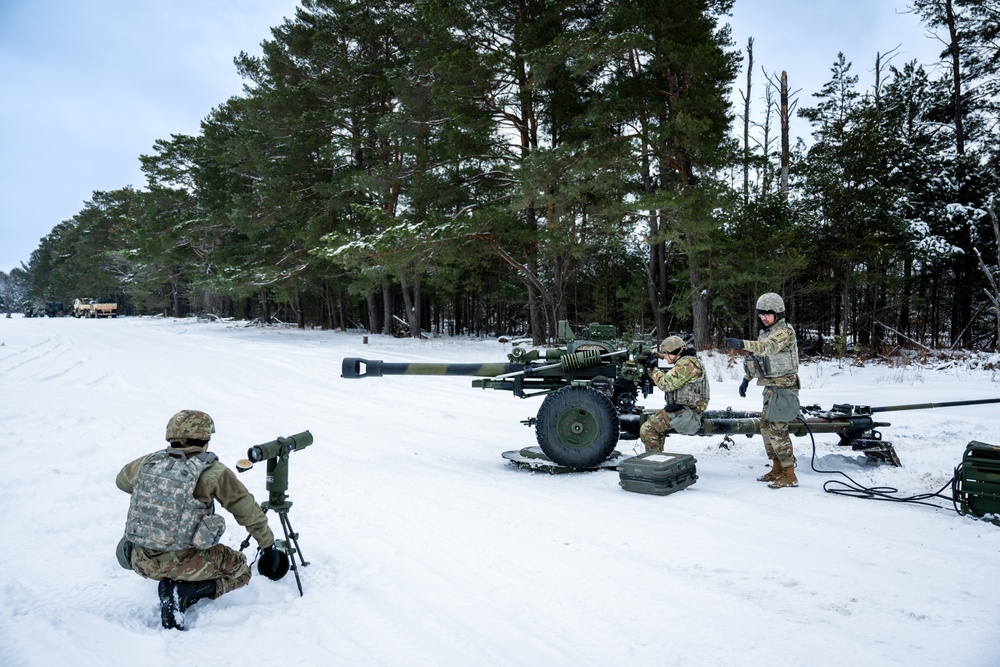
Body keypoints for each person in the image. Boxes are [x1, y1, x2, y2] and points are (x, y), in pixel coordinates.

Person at [116, 409, 285, 630]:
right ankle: (185, 592)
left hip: (139, 560)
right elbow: (248, 512)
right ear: (205, 440)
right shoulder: (212, 471)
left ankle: (171, 576)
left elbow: (122, 481)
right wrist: (268, 545)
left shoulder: (149, 462)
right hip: (185, 562)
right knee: (242, 570)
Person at [725, 292, 801, 488]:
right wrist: (746, 378)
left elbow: (768, 348)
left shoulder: (784, 332)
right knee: (766, 429)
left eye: (767, 314)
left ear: (778, 313)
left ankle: (789, 474)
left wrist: (742, 344)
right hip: (770, 388)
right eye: (761, 314)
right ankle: (777, 468)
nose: (763, 318)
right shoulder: (766, 333)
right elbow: (758, 358)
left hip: (784, 389)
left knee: (778, 431)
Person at [639, 335, 710, 453]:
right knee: (657, 427)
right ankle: (657, 458)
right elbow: (669, 377)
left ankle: (654, 460)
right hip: (685, 411)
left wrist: (654, 368)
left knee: (647, 429)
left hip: (690, 416)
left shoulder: (687, 364)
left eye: (667, 354)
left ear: (677, 352)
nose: (665, 358)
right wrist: (651, 367)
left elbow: (665, 384)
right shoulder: (686, 360)